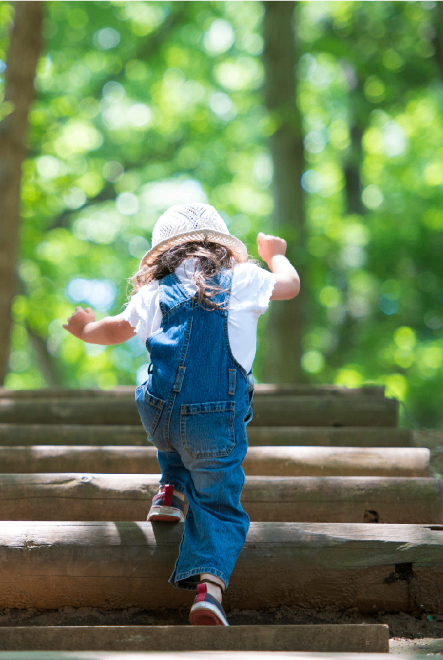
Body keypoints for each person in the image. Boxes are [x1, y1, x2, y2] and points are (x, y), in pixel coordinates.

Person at [62, 203, 300, 626]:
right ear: (223, 250)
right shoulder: (244, 279)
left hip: (158, 414)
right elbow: (289, 285)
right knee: (218, 502)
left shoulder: (154, 292)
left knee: (176, 435)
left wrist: (83, 330)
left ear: (164, 256)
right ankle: (208, 588)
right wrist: (274, 253)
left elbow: (115, 329)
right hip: (215, 420)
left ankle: (169, 492)